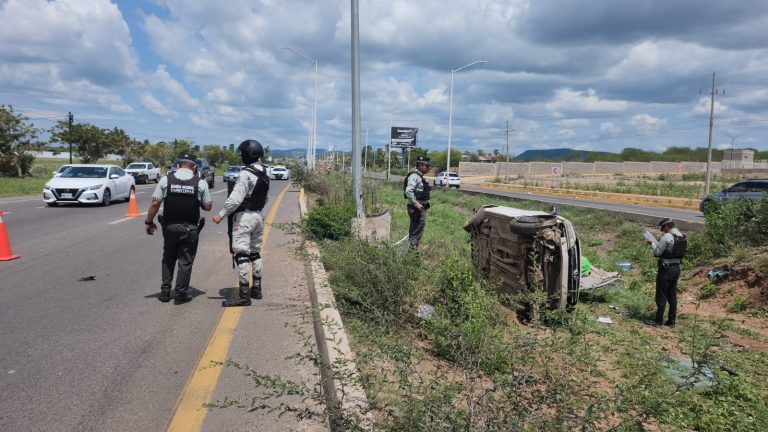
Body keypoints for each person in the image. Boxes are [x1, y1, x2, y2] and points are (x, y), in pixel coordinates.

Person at [145, 153, 212, 304]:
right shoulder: (200, 183)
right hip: (190, 228)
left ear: (178, 165)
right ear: (194, 167)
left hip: (170, 228)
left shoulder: (165, 180)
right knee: (185, 260)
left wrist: (149, 222)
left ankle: (165, 291)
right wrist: (198, 200)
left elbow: (155, 203)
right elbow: (208, 207)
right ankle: (181, 293)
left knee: (168, 258)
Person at [212, 139, 270, 307]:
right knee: (255, 253)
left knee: (242, 254)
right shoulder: (265, 171)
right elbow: (265, 198)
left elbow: (235, 199)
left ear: (247, 154)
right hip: (258, 216)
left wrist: (221, 214)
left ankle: (244, 295)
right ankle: (257, 289)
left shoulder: (246, 173)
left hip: (244, 217)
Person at [645, 218, 687, 327]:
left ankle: (658, 321)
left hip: (666, 269)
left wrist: (652, 243)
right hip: (676, 269)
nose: (662, 231)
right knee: (672, 296)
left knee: (661, 295)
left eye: (663, 228)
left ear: (667, 226)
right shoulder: (681, 236)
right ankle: (671, 321)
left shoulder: (668, 236)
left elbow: (658, 252)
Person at [403, 156, 432, 250]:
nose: (429, 168)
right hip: (416, 209)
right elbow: (408, 191)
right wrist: (416, 204)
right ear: (420, 165)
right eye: (427, 166)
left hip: (419, 208)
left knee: (415, 230)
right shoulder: (414, 176)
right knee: (417, 232)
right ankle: (411, 254)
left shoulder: (419, 176)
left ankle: (411, 253)